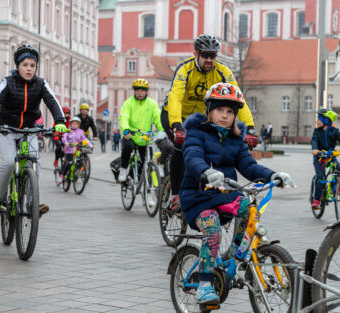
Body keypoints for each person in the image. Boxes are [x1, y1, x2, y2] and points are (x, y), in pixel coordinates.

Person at [180, 83, 295, 305]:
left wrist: (273, 176)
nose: (224, 116)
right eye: (220, 110)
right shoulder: (196, 133)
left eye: (230, 111)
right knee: (212, 230)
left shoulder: (234, 139)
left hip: (225, 194)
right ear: (210, 111)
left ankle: (232, 255)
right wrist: (205, 172)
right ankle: (204, 285)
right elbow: (192, 157)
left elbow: (249, 166)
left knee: (247, 208)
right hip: (198, 196)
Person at [161, 34, 258, 212]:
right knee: (181, 146)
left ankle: (208, 190)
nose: (209, 59)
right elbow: (175, 97)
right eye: (205, 55)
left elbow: (238, 99)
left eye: (213, 56)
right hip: (175, 115)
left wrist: (250, 128)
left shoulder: (223, 72)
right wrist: (176, 126)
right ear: (196, 54)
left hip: (199, 118)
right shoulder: (185, 69)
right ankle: (175, 195)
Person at [0, 44, 67, 220]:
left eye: (32, 65)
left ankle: (33, 202)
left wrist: (60, 122)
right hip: (6, 130)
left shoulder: (41, 84)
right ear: (18, 66)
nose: (28, 69)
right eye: (25, 64)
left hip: (29, 130)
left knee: (34, 160)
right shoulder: (8, 82)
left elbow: (52, 101)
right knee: (9, 162)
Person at [118, 78, 165, 183]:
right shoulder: (128, 103)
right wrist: (126, 130)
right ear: (134, 91)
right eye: (137, 90)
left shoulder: (152, 103)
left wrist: (162, 130)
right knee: (127, 147)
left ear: (146, 91)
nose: (140, 93)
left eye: (142, 90)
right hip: (131, 135)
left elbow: (157, 117)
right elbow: (124, 117)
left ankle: (149, 188)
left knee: (147, 162)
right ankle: (123, 169)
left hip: (145, 137)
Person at [310, 109, 340, 210]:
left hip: (330, 157)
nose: (317, 121)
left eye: (319, 119)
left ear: (326, 120)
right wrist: (314, 149)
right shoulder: (316, 131)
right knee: (320, 177)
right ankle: (317, 200)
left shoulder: (334, 131)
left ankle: (334, 187)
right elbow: (314, 141)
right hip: (320, 158)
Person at [59, 117, 93, 184]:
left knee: (80, 159)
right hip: (69, 150)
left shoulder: (80, 131)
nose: (74, 125)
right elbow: (64, 137)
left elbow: (84, 138)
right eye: (73, 124)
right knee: (70, 163)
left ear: (78, 125)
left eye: (76, 124)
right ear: (70, 124)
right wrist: (66, 142)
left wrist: (90, 144)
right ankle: (62, 175)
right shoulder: (68, 131)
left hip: (77, 150)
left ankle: (79, 170)